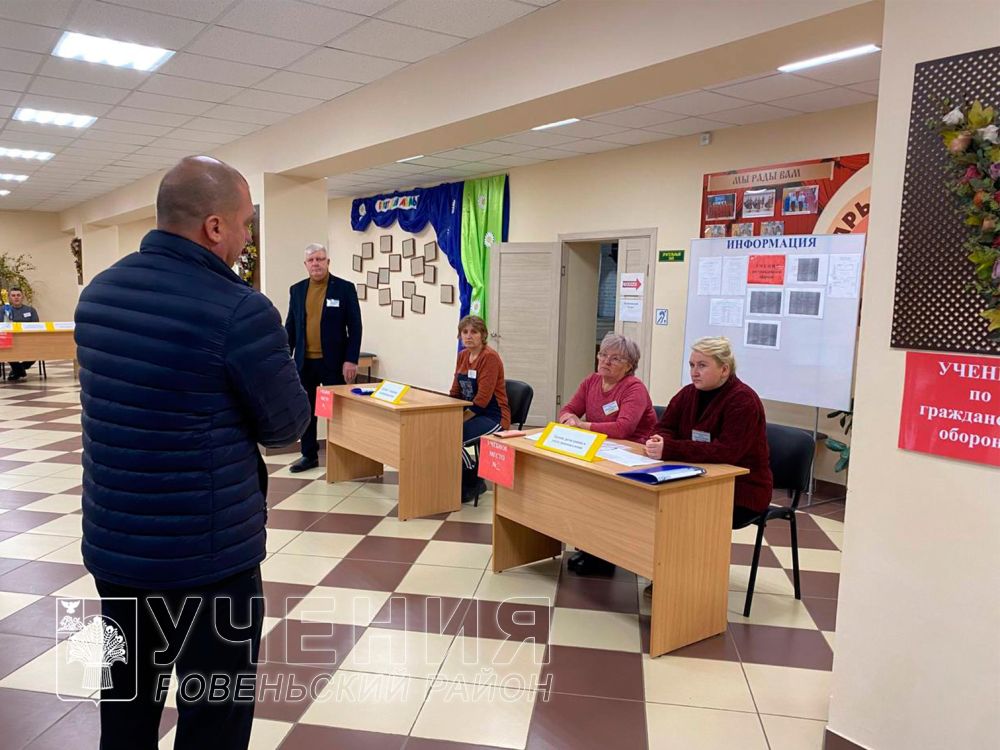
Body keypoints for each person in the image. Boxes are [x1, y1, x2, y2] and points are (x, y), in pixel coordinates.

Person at [75, 156, 311, 750]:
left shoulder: (97, 296)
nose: (248, 236)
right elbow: (286, 427)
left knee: (125, 699)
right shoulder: (240, 310)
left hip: (118, 554)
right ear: (213, 227)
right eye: (246, 223)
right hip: (208, 563)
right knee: (214, 717)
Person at [559, 332, 658, 575]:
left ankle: (604, 554)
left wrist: (583, 426)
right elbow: (569, 408)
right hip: (602, 447)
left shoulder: (634, 388)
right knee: (579, 484)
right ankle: (591, 546)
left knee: (601, 491)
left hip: (633, 453)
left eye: (615, 358)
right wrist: (568, 418)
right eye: (603, 354)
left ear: (629, 366)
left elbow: (624, 428)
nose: (605, 361)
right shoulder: (591, 381)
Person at [285, 243, 362, 473]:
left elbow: (355, 327)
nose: (316, 264)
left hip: (333, 364)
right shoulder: (297, 290)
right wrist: (285, 357)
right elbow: (291, 326)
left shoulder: (344, 289)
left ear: (328, 262)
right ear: (306, 265)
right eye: (311, 260)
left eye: (320, 259)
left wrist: (351, 359)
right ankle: (309, 455)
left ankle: (342, 456)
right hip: (304, 363)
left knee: (334, 410)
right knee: (306, 410)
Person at [449, 315, 510, 502]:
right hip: (472, 413)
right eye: (464, 332)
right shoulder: (462, 356)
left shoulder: (489, 358)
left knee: (452, 436)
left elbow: (482, 400)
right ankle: (455, 480)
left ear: (483, 335)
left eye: (474, 332)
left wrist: (459, 420)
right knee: (443, 430)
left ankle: (473, 479)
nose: (468, 336)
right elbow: (455, 392)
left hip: (493, 416)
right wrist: (446, 414)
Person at [4, 287, 40, 381]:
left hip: (28, 341)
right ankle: (19, 370)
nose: (16, 297)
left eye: (18, 295)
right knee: (7, 351)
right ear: (9, 297)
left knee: (36, 353)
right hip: (10, 340)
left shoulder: (31, 310)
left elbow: (36, 325)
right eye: (13, 295)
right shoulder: (3, 310)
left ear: (22, 297)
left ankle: (18, 369)